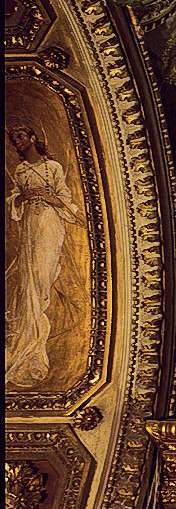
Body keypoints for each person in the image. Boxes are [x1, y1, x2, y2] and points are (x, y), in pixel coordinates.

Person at [4, 124, 85, 391]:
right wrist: (20, 198)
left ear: (33, 138)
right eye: (13, 138)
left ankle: (35, 345)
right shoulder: (20, 171)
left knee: (41, 279)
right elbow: (14, 200)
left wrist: (51, 198)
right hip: (30, 226)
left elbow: (64, 198)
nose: (17, 141)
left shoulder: (53, 168)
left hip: (50, 225)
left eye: (20, 136)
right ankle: (25, 347)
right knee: (28, 283)